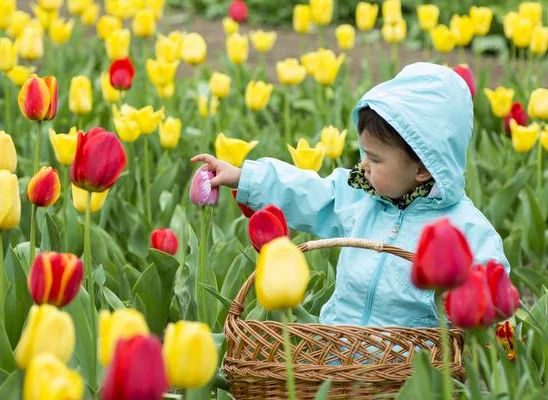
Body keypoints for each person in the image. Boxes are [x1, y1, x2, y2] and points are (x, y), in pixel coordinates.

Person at [191, 62, 508, 328]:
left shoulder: (467, 231)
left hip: (409, 365)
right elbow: (307, 192)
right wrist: (245, 177)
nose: (363, 165)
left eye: (376, 158)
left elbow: (488, 300)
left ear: (424, 168)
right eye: (364, 153)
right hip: (339, 350)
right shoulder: (359, 195)